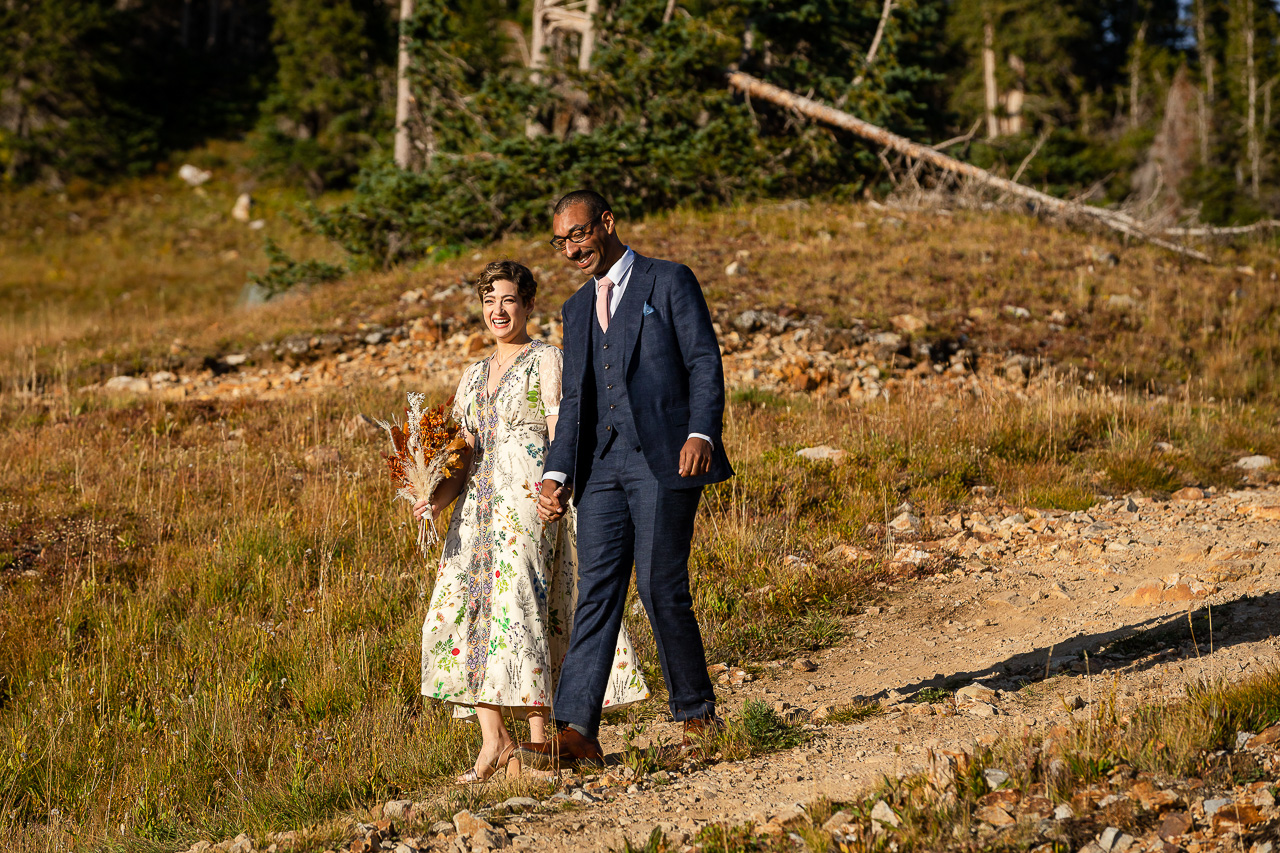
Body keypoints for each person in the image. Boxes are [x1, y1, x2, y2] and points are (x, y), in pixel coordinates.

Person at [518, 191, 733, 771]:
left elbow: (703, 362)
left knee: (662, 585)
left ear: (606, 224)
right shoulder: (574, 309)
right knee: (597, 593)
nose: (573, 248)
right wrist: (557, 473)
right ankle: (577, 732)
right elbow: (577, 404)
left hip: (665, 458)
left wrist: (701, 434)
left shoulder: (668, 281)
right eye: (561, 241)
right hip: (601, 470)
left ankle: (696, 716)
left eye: (580, 234)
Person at [415, 260, 648, 784]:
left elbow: (563, 435)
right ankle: (493, 741)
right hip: (475, 513)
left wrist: (557, 491)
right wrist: (434, 497)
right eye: (489, 302)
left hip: (527, 506)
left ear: (528, 305)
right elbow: (463, 456)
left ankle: (541, 746)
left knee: (522, 610)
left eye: (508, 301)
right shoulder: (471, 375)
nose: (498, 312)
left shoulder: (547, 360)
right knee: (466, 615)